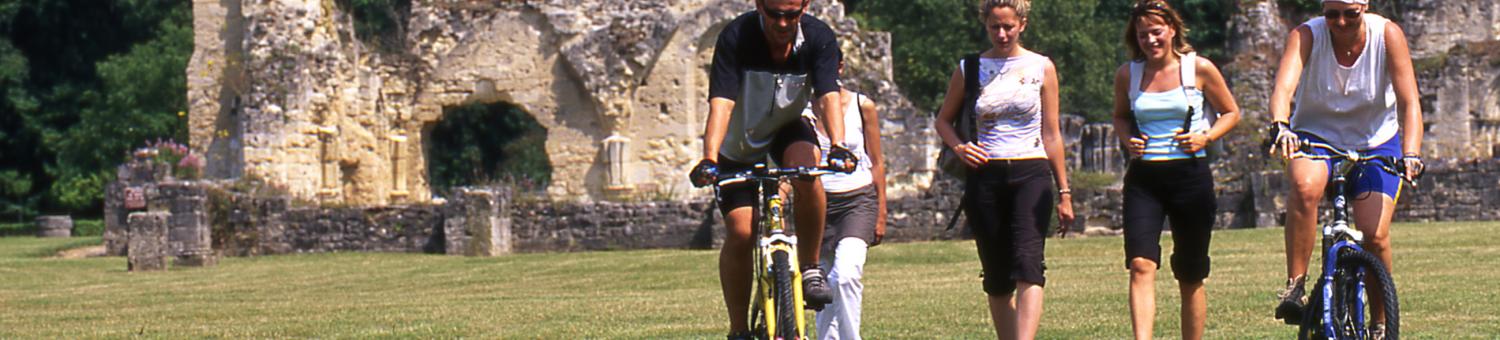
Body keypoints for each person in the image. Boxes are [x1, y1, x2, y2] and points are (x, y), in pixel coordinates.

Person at [685, 0, 859, 338]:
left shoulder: (819, 37)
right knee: (741, 232)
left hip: (787, 127)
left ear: (805, 7)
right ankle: (738, 329)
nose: (783, 24)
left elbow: (827, 95)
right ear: (758, 6)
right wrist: (709, 158)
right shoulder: (737, 36)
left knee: (808, 172)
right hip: (738, 141)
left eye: (792, 15)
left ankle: (809, 268)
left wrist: (838, 145)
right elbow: (720, 103)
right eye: (774, 14)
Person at [1266, 0, 1425, 337]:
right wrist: (1281, 127)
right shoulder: (1306, 35)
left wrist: (1411, 153)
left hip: (1375, 140)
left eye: (1350, 14)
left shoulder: (1388, 35)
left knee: (1375, 234)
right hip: (1315, 136)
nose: (1340, 22)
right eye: (1331, 14)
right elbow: (1283, 88)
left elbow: (1409, 102)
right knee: (1306, 188)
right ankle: (1295, 285)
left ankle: (1381, 323)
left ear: (1364, 7)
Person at [933, 0, 1074, 338]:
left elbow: (1052, 134)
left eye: (1008, 26)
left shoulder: (1041, 66)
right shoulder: (970, 67)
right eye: (994, 26)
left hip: (1032, 171)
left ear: (1022, 24)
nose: (1001, 33)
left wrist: (1065, 191)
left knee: (1028, 262)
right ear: (985, 24)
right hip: (986, 174)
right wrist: (959, 147)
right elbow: (943, 120)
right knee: (997, 277)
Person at [1110, 1, 1241, 339]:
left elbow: (1230, 112)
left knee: (1190, 273)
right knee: (1140, 264)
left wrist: (1205, 137)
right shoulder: (1129, 73)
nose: (1150, 40)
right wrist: (1128, 139)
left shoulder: (1198, 68)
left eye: (1156, 32)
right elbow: (1121, 116)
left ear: (1171, 29)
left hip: (1190, 177)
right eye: (1142, 35)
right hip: (1144, 179)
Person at [805, 60, 886, 340]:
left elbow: (876, 162)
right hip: (816, 204)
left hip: (857, 200)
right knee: (822, 286)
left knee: (846, 275)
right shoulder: (800, 112)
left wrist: (881, 212)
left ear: (838, 67)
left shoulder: (862, 106)